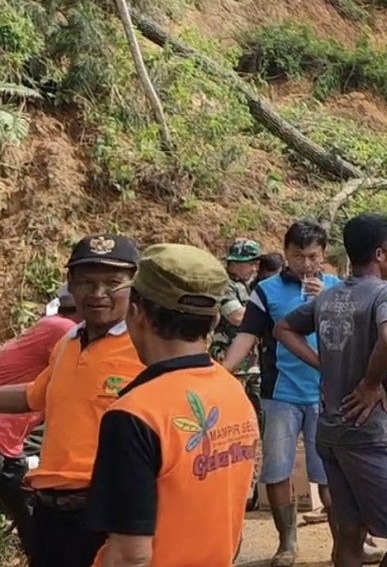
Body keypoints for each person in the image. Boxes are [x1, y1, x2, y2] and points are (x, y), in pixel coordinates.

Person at [84, 244, 258, 566]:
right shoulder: (233, 391)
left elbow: (130, 556)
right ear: (215, 318)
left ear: (136, 312)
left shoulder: (135, 414)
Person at [276, 213, 387, 567]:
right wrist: (371, 382)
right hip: (371, 432)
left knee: (350, 531)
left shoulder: (329, 297)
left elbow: (283, 328)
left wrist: (323, 364)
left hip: (330, 432)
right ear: (379, 254)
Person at [0, 234, 144, 567]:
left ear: (134, 287)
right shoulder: (67, 341)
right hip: (52, 512)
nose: (98, 294)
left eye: (112, 283)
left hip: (107, 513)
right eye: (86, 283)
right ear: (70, 285)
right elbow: (34, 395)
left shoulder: (145, 346)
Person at [220, 220, 352, 567]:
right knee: (276, 469)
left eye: (313, 256)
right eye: (298, 256)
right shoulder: (266, 291)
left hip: (327, 395)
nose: (306, 265)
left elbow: (353, 337)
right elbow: (247, 334)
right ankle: (287, 543)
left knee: (329, 471)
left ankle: (344, 547)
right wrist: (221, 373)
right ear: (286, 254)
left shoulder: (338, 288)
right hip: (280, 393)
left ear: (324, 256)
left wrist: (324, 301)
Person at [0, 287, 80, 556]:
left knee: (31, 518)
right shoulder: (63, 330)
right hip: (3, 437)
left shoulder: (55, 327)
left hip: (10, 443)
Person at [210, 238, 261, 369]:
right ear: (235, 263)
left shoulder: (243, 285)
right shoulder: (226, 285)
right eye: (251, 264)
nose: (254, 269)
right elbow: (237, 317)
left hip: (249, 361)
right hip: (228, 356)